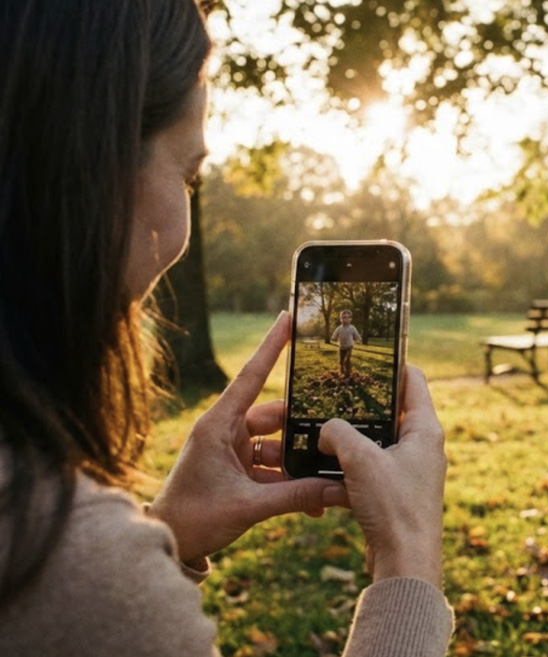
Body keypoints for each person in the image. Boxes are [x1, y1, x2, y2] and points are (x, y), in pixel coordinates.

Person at [0, 1, 453, 655]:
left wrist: (166, 540)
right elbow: (76, 599)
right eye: (190, 174)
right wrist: (409, 560)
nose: (180, 234)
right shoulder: (58, 554)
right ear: (84, 168)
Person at [333, 310, 364, 376]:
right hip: (341, 347)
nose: (346, 319)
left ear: (350, 319)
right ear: (341, 319)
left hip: (349, 347)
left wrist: (359, 339)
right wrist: (333, 337)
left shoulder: (352, 328)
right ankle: (341, 371)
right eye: (344, 317)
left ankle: (348, 373)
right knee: (341, 361)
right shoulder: (339, 328)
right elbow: (335, 334)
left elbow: (357, 334)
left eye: (348, 317)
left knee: (347, 360)